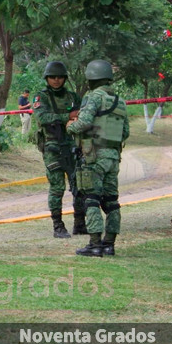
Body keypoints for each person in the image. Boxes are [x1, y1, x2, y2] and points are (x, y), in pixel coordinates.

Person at [67, 60, 129, 257]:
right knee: (112, 200)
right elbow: (125, 132)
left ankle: (94, 244)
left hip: (94, 157)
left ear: (91, 78)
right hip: (113, 156)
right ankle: (109, 244)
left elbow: (83, 123)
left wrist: (70, 126)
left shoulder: (93, 97)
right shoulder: (120, 101)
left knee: (91, 199)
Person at [33, 61, 84, 239]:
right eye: (52, 77)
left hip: (72, 146)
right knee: (57, 187)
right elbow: (43, 117)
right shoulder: (41, 97)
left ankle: (80, 223)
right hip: (52, 147)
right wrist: (67, 117)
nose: (56, 80)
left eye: (60, 77)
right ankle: (58, 226)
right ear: (47, 78)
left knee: (79, 185)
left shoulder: (72, 97)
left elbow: (82, 115)